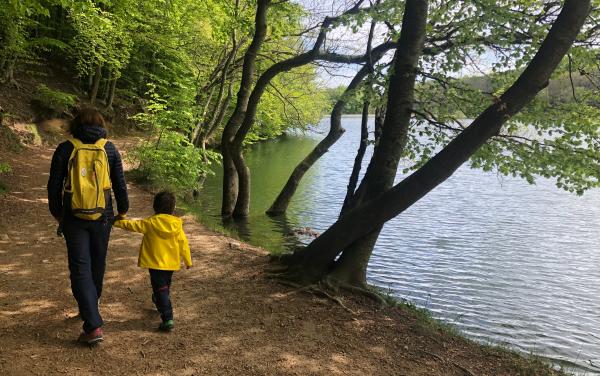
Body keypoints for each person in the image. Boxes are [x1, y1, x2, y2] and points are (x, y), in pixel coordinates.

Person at [47, 108, 128, 344]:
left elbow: (53, 185)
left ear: (75, 125)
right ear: (101, 124)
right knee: (98, 261)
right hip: (104, 216)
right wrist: (122, 210)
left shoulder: (65, 148)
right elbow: (119, 184)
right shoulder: (109, 148)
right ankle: (91, 306)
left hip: (73, 216)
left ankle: (92, 322)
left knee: (80, 266)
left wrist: (58, 214)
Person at [113, 191, 192, 331]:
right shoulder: (177, 225)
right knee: (165, 286)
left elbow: (133, 225)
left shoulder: (150, 223)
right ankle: (159, 299)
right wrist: (188, 261)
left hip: (155, 264)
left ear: (155, 207)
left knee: (160, 288)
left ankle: (167, 318)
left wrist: (117, 222)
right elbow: (183, 243)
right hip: (171, 264)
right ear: (173, 208)